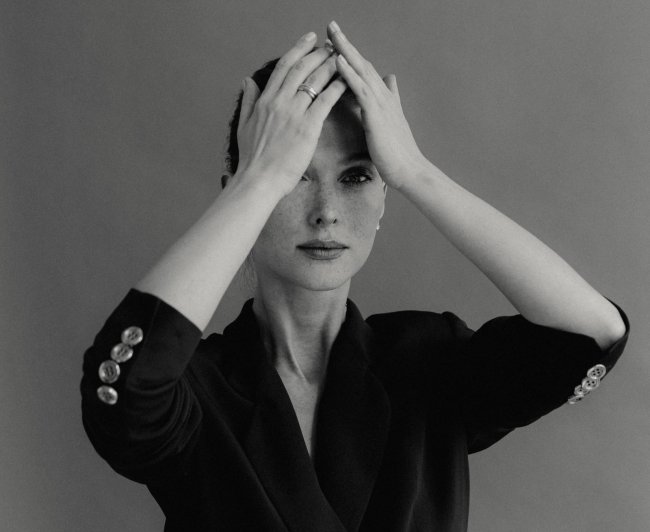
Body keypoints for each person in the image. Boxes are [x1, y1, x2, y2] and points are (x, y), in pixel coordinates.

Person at [81, 21, 630, 532]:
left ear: (383, 195)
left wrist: (416, 173)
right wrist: (259, 180)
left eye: (357, 176)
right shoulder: (198, 390)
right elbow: (127, 389)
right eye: (294, 177)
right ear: (240, 198)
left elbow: (592, 333)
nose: (326, 213)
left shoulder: (428, 362)